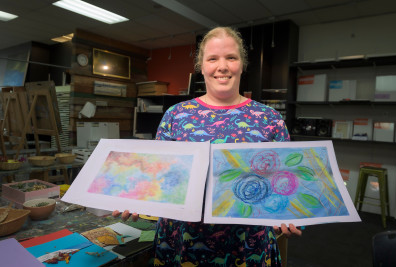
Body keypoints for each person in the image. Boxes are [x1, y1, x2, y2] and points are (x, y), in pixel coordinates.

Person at [113, 26, 302, 267]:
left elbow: (285, 180)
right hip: (182, 242)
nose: (222, 66)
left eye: (231, 58)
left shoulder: (269, 118)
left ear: (242, 64)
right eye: (213, 59)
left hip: (246, 245)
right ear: (202, 67)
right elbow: (158, 175)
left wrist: (291, 212)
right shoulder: (176, 115)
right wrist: (136, 195)